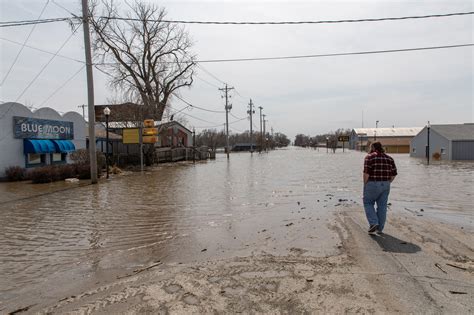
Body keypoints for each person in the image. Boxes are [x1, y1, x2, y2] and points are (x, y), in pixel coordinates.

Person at [363, 142, 397, 235]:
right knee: (382, 206)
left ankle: (373, 223)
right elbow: (394, 174)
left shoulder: (369, 157)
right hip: (386, 184)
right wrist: (388, 182)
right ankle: (380, 229)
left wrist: (365, 185)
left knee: (368, 203)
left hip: (372, 183)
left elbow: (366, 173)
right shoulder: (389, 158)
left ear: (372, 147)